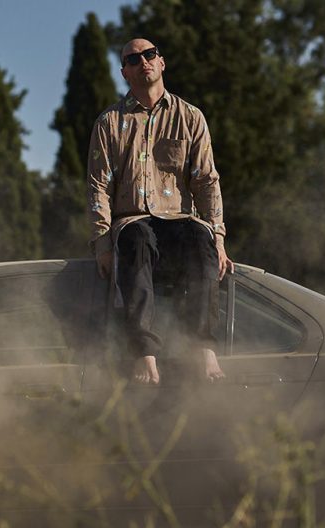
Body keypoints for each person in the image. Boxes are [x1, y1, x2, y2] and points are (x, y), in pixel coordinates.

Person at [87, 38, 233, 385]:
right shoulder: (109, 122)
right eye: (133, 59)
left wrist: (220, 239)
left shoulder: (191, 117)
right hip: (133, 219)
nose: (143, 62)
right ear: (125, 72)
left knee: (203, 242)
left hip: (181, 220)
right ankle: (145, 353)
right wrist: (102, 243)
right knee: (135, 242)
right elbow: (98, 186)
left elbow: (207, 182)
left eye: (149, 55)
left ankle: (203, 348)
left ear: (162, 62)